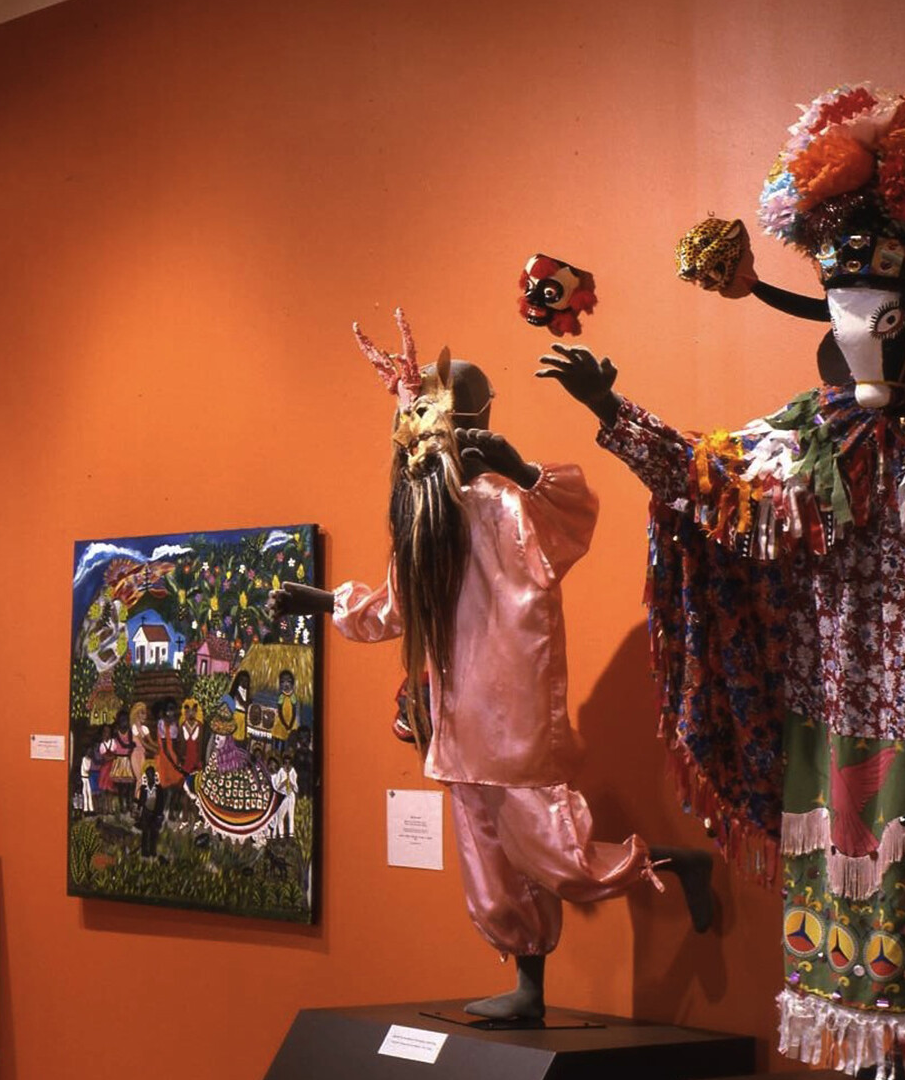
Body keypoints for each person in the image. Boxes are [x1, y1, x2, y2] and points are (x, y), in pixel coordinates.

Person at [542, 84, 905, 1080]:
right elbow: (718, 491)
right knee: (847, 863)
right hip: (833, 688)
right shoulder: (803, 427)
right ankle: (878, 1047)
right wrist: (616, 415)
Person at [280, 316, 711, 1023]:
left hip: (512, 713)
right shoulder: (429, 520)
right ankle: (530, 990)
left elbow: (573, 522)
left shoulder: (507, 506)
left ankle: (668, 862)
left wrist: (522, 470)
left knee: (558, 856)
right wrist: (327, 600)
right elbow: (394, 607)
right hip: (458, 725)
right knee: (491, 875)